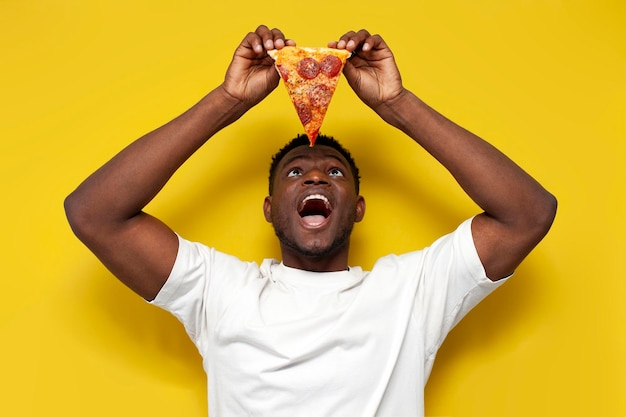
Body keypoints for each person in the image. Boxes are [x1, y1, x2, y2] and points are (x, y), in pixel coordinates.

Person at [64, 25, 557, 417]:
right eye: (295, 172)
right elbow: (94, 213)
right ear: (271, 208)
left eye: (335, 172)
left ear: (358, 208)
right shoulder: (219, 290)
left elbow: (528, 214)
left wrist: (396, 105)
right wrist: (227, 102)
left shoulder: (411, 292)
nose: (314, 177)